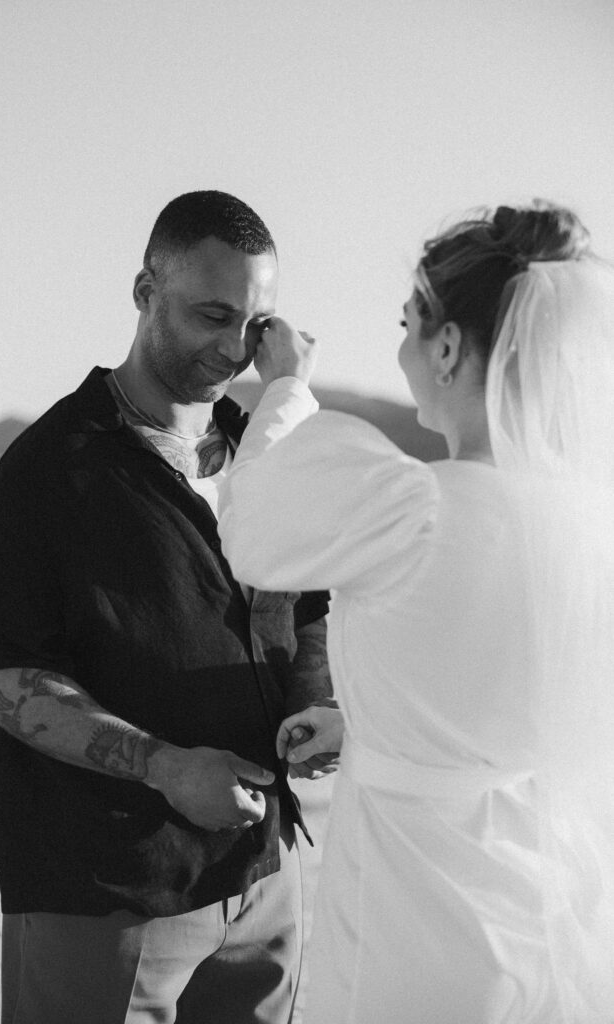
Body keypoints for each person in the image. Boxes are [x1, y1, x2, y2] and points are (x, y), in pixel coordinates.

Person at [218, 201, 614, 1023]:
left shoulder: (413, 506)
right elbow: (511, 698)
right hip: (547, 899)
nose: (398, 348)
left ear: (444, 345)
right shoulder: (589, 525)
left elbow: (252, 528)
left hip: (419, 901)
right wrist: (359, 722)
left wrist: (286, 385)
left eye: (406, 324)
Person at [0, 190, 336, 1024]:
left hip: (263, 872)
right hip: (108, 892)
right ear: (143, 291)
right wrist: (165, 765)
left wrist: (317, 700)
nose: (233, 347)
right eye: (211, 314)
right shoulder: (47, 471)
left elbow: (303, 612)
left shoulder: (262, 455)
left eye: (255, 323)